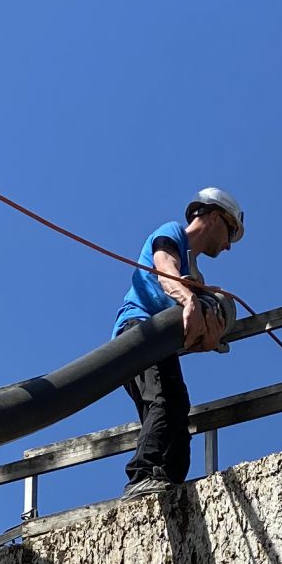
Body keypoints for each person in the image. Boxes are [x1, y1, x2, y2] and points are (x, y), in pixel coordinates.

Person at [111, 188, 244, 494]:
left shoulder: (194, 276)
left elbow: (188, 333)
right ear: (214, 217)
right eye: (230, 232)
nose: (228, 245)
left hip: (160, 343)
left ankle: (166, 487)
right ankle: (142, 476)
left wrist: (207, 339)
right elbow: (164, 269)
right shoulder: (172, 234)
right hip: (139, 332)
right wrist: (189, 299)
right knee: (166, 401)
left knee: (177, 412)